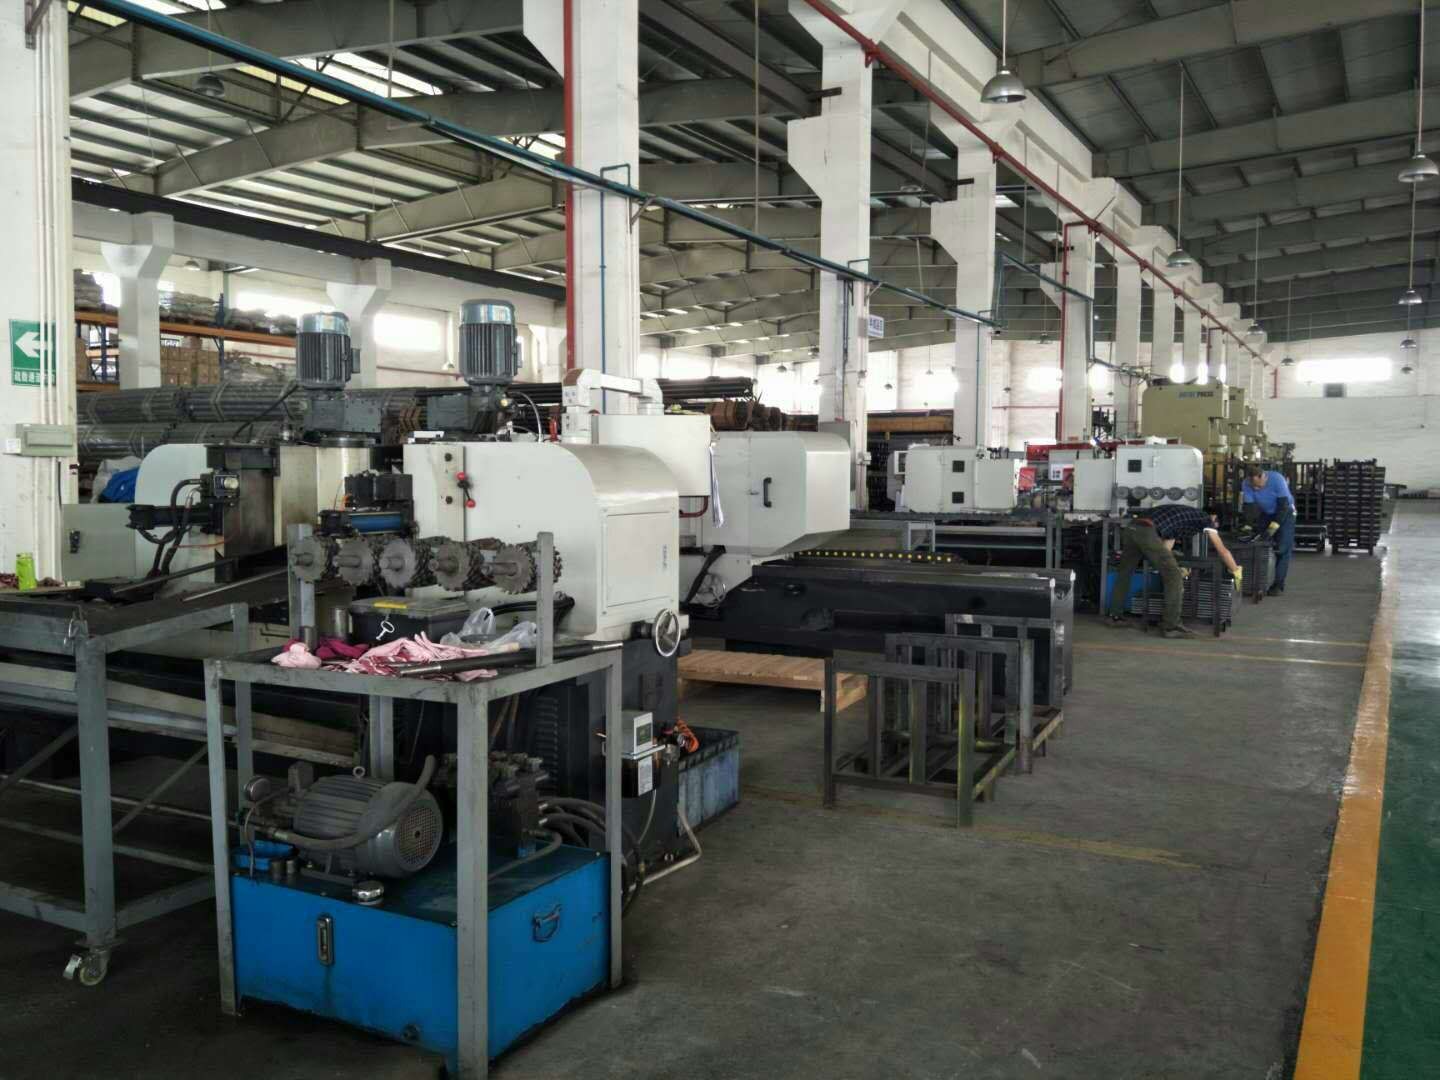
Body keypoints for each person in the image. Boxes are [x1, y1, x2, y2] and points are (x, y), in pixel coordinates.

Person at [1105, 503, 1243, 639]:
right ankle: (1171, 627)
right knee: (1174, 576)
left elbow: (1167, 546)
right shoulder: (1205, 518)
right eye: (1217, 524)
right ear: (1214, 516)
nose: (1216, 527)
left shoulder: (1184, 517)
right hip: (1147, 531)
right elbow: (1222, 550)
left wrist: (1170, 564)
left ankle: (1115, 617)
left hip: (1131, 528)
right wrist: (1235, 570)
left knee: (1125, 573)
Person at [1242, 465, 1296, 596]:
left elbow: (1283, 506)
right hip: (1266, 513)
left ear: (1263, 476)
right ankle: (1257, 582)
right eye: (1253, 486)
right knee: (1259, 543)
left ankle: (1278, 584)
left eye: (1258, 486)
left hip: (1286, 512)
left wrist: (1272, 529)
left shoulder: (1277, 479)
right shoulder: (1246, 483)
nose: (1255, 489)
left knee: (1282, 549)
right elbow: (1249, 507)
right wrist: (1248, 526)